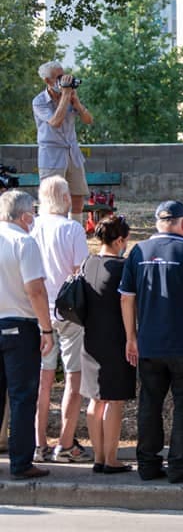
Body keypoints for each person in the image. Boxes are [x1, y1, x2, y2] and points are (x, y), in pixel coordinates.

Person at [119, 200, 183, 483]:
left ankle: (148, 464)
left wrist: (130, 337)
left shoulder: (138, 252)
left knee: (149, 404)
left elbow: (126, 298)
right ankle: (179, 465)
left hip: (149, 342)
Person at [31, 176, 92, 464]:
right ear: (66, 199)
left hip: (37, 310)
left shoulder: (31, 227)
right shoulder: (72, 229)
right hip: (69, 312)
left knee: (41, 381)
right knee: (73, 377)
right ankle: (65, 443)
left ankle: (38, 443)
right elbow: (82, 270)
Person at [0, 189, 56, 480]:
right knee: (22, 396)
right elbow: (35, 289)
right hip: (19, 325)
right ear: (24, 216)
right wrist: (46, 328)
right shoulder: (24, 241)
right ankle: (21, 462)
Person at [80, 215, 136, 474]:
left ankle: (99, 457)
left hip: (91, 338)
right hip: (116, 339)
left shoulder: (87, 263)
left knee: (95, 399)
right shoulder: (122, 268)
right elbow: (127, 304)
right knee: (115, 400)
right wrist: (131, 338)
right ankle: (112, 458)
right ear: (120, 240)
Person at [33, 61, 94, 223]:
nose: (64, 80)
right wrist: (66, 96)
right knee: (52, 198)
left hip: (72, 152)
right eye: (59, 77)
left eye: (64, 75)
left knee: (77, 195)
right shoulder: (39, 101)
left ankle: (76, 232)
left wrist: (77, 104)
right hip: (52, 154)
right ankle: (51, 233)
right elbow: (55, 122)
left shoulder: (68, 96)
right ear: (47, 80)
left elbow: (89, 120)